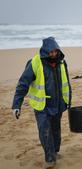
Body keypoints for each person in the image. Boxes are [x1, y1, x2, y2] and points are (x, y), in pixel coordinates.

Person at [12, 37, 72, 168]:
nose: (53, 54)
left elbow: (66, 82)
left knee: (56, 130)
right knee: (45, 131)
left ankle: (55, 151)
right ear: (45, 51)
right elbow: (23, 84)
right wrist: (16, 105)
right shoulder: (34, 63)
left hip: (58, 104)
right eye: (50, 52)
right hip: (42, 106)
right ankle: (49, 158)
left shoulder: (62, 62)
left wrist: (69, 101)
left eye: (55, 51)